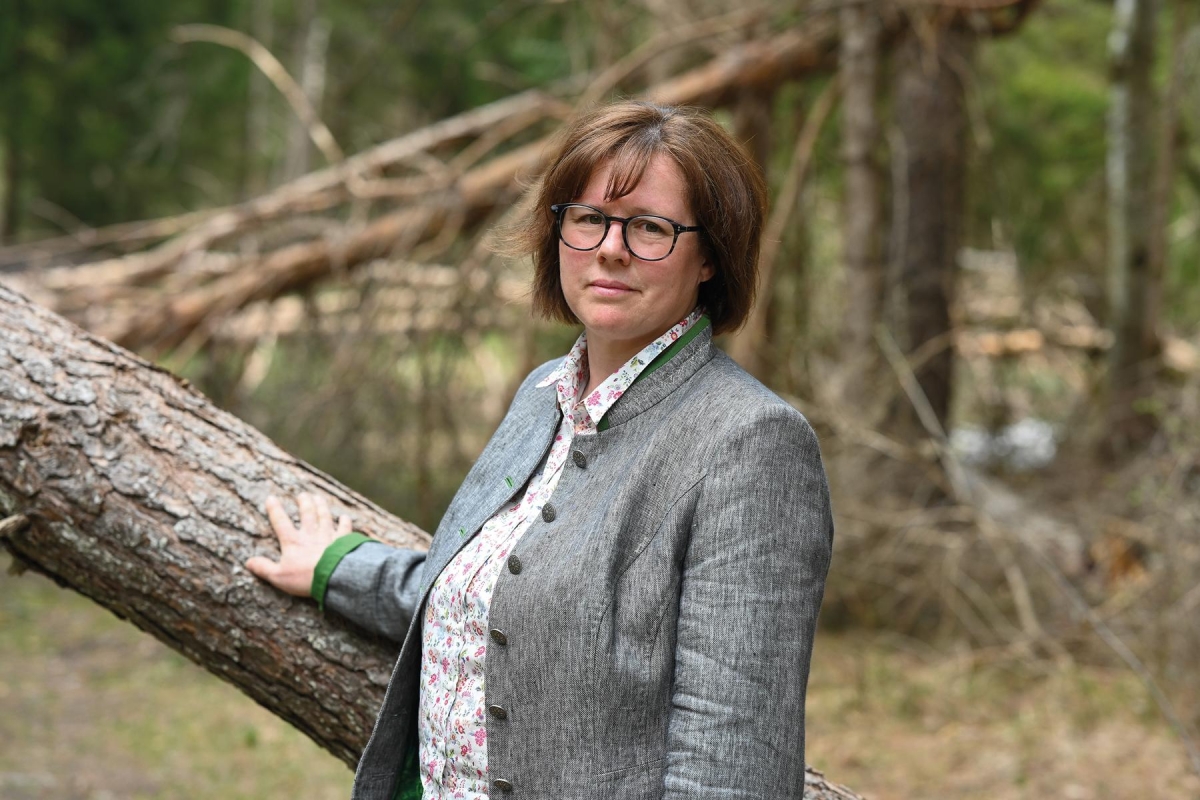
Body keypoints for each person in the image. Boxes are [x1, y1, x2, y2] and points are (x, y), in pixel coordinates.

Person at [245, 100, 834, 800]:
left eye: (650, 226)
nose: (610, 247)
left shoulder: (751, 443)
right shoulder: (544, 393)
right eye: (588, 219)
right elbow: (495, 597)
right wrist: (337, 568)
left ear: (710, 255)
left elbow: (734, 760)